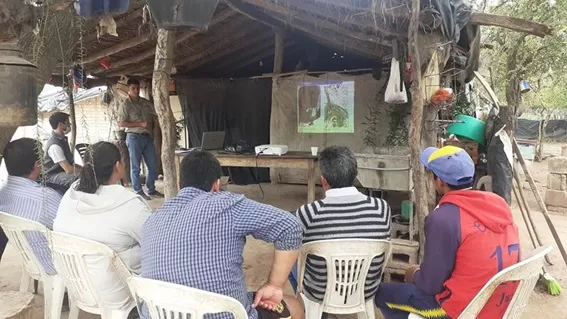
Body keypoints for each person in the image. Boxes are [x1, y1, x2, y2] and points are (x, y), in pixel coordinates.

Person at [141, 150, 305, 319]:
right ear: (217, 185)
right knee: (295, 306)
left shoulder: (152, 220)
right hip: (226, 314)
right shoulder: (226, 205)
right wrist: (274, 285)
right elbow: (290, 226)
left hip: (159, 313)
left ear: (178, 184)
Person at [375, 146, 520, 319]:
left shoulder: (443, 218)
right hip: (499, 304)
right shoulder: (498, 204)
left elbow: (431, 285)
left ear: (440, 182)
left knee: (382, 294)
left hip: (462, 310)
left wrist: (414, 274)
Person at [55, 141, 151, 310]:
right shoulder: (129, 204)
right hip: (118, 292)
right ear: (118, 165)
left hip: (77, 285)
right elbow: (155, 242)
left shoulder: (70, 194)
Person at [289, 145, 391, 303]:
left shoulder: (307, 212)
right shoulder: (381, 208)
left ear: (323, 181)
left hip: (320, 292)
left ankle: (310, 307)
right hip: (365, 290)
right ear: (355, 175)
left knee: (289, 254)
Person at [0, 138, 62, 280]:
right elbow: (69, 230)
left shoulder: (2, 193)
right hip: (53, 265)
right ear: (37, 165)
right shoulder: (45, 197)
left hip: (30, 259)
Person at [117, 78, 162, 200]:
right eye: (133, 88)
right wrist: (139, 124)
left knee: (153, 165)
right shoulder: (125, 105)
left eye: (137, 88)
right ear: (128, 89)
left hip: (147, 137)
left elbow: (156, 113)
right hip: (133, 137)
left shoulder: (145, 102)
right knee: (135, 166)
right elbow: (121, 123)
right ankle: (138, 191)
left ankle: (151, 189)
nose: (136, 90)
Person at [43, 111, 82, 193]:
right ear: (61, 124)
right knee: (80, 177)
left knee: (85, 173)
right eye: (67, 123)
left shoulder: (62, 140)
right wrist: (85, 172)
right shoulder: (54, 146)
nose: (70, 125)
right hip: (51, 176)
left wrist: (85, 168)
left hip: (61, 172)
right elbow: (68, 169)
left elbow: (71, 164)